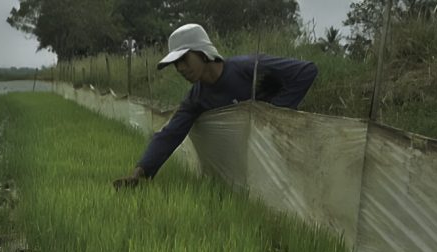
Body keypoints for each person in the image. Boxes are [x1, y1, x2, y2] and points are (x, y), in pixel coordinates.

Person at [113, 24, 318, 188]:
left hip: (284, 155)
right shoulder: (196, 98)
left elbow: (306, 71)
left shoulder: (249, 67)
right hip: (244, 173)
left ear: (203, 53)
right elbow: (169, 135)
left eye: (184, 59)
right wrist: (139, 174)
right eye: (176, 64)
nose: (180, 68)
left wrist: (272, 114)